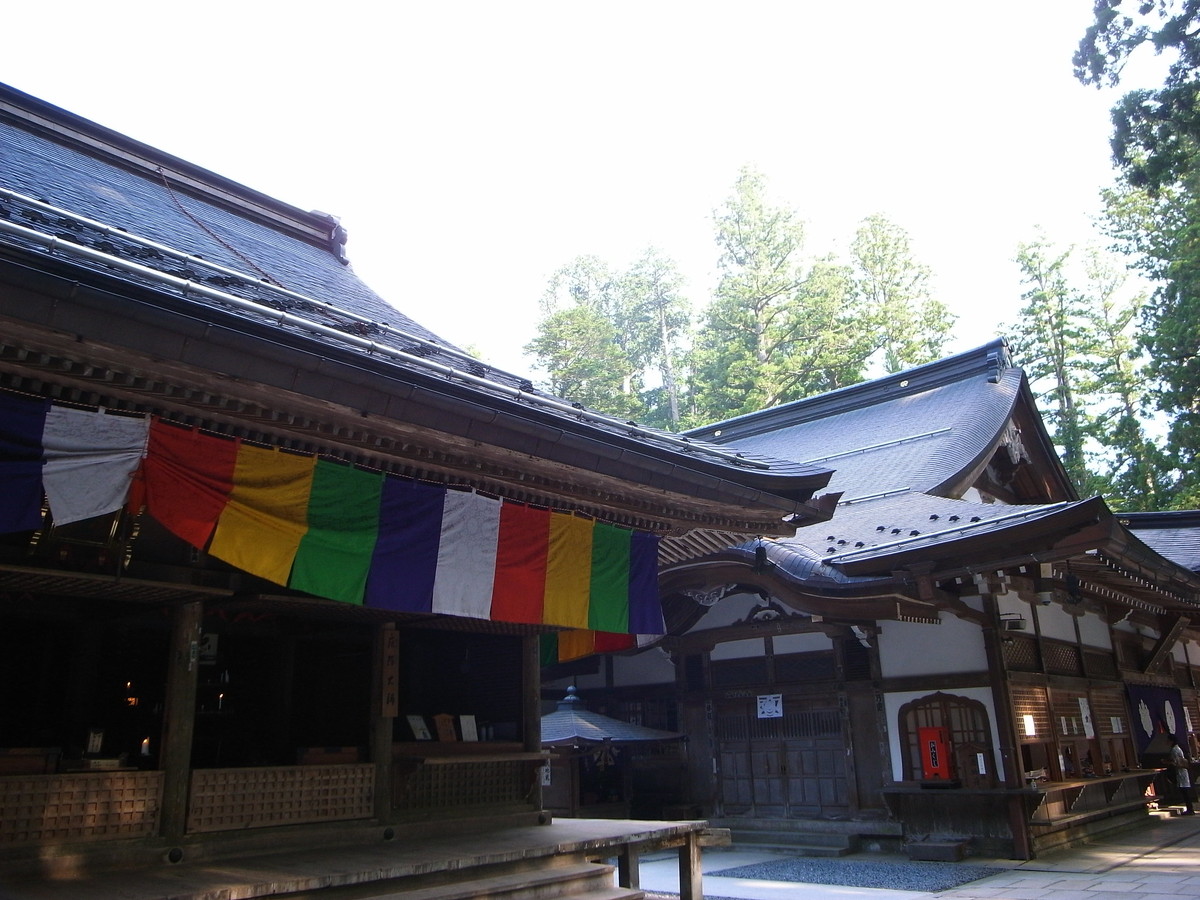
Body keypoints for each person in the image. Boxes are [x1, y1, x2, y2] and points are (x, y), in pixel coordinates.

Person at [1169, 734, 1196, 816]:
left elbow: (1176, 762)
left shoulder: (1175, 750)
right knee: (1185, 791)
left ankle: (1190, 809)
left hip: (1181, 772)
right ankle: (1190, 808)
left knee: (1185, 792)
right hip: (1182, 772)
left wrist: (1167, 762)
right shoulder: (1178, 748)